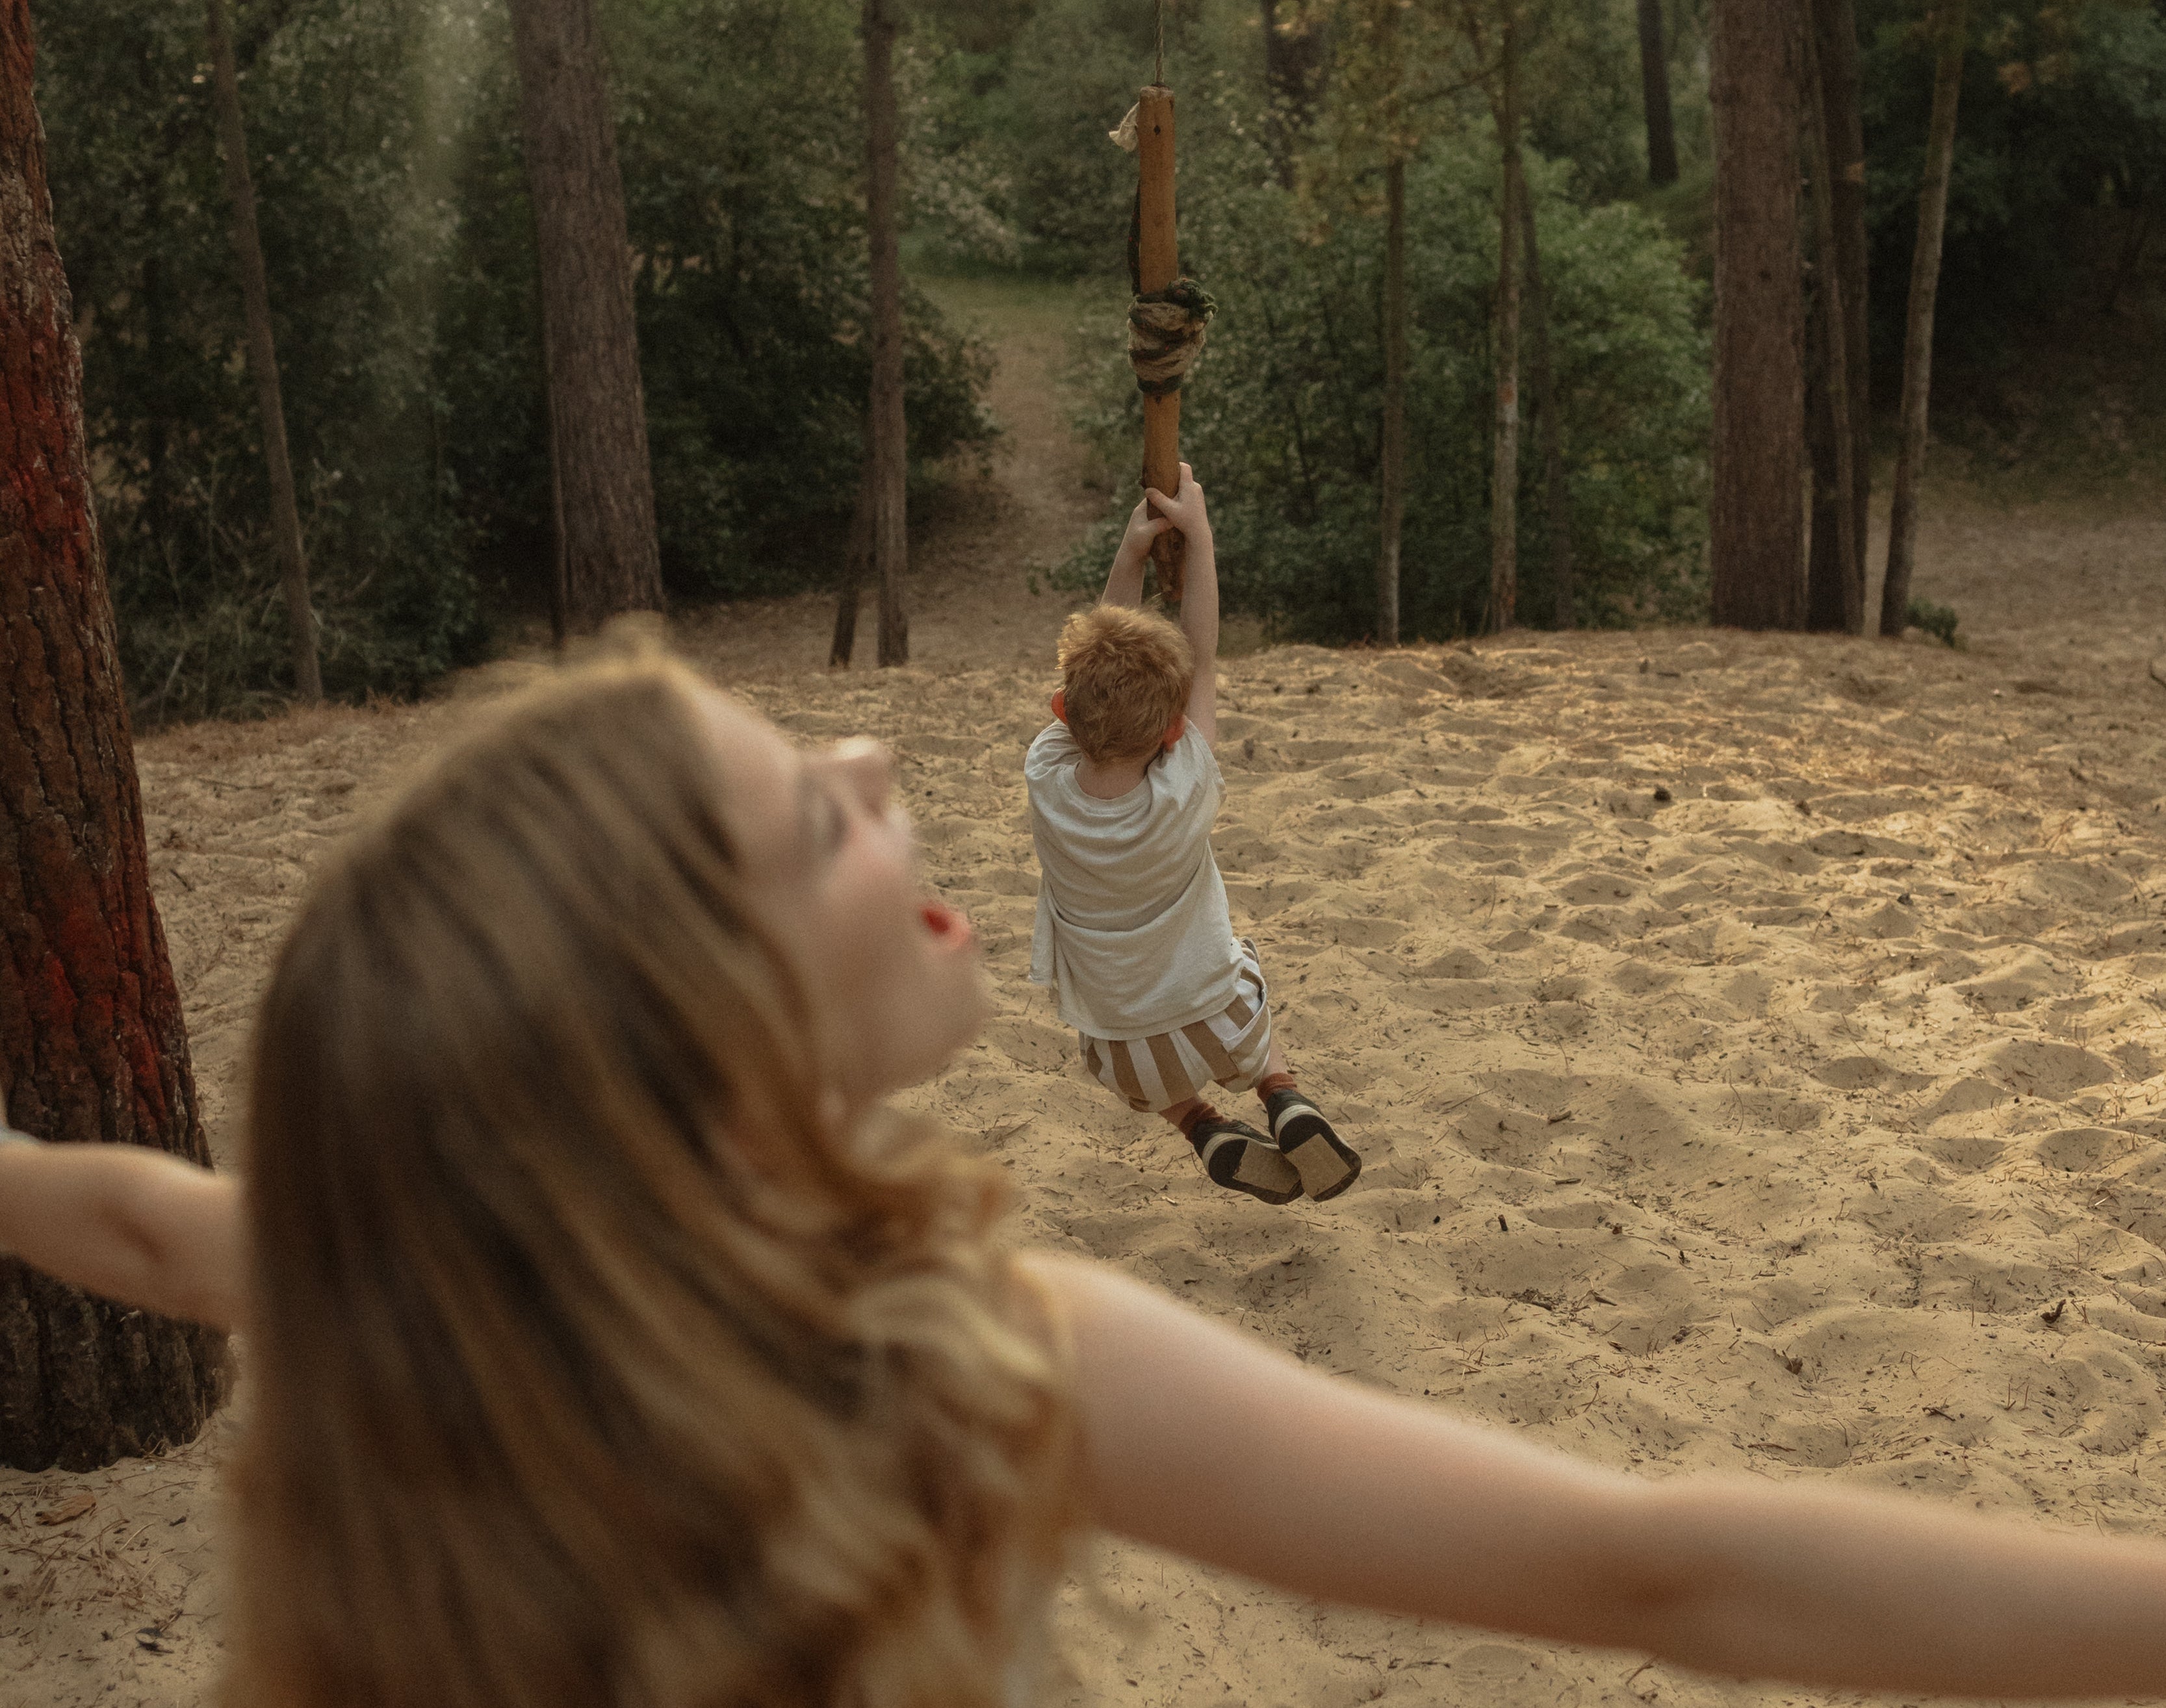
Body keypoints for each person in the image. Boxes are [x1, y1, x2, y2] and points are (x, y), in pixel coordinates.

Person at [7, 654, 2166, 1708]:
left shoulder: (462, 1307)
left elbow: (124, 1222)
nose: (871, 762)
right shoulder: (960, 1358)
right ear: (708, 1041)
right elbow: (1656, 1571)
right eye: (811, 820)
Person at [1026, 465, 1360, 1205]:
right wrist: (1199, 538)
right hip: (1222, 1024)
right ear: (1175, 729)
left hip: (1121, 1053)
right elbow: (1202, 657)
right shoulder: (1186, 786)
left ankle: (1202, 1126)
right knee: (1241, 970)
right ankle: (1283, 1095)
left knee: (1138, 1062)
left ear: (1062, 709)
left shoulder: (1047, 777)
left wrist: (1129, 557)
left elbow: (1090, 668)